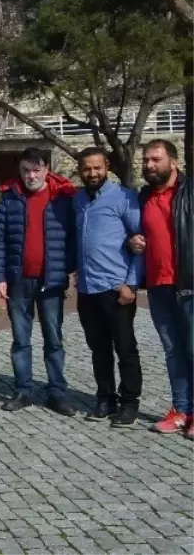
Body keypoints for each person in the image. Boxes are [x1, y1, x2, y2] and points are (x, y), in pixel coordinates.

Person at [0, 147, 77, 415]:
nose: (31, 175)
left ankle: (56, 392)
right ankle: (23, 390)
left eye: (36, 169)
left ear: (46, 169)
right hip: (19, 280)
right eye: (26, 170)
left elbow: (72, 238)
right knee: (20, 339)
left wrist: (68, 268)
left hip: (51, 280)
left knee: (53, 338)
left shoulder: (62, 199)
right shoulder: (10, 199)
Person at [73, 146, 143, 427]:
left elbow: (141, 243)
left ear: (107, 167)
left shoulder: (124, 198)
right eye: (87, 168)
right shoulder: (78, 200)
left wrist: (132, 283)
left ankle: (129, 403)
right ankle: (105, 398)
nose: (92, 173)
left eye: (97, 167)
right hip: (88, 290)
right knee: (98, 348)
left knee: (125, 348)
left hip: (117, 289)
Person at [130, 139, 192, 434]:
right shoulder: (141, 198)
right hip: (157, 286)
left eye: (156, 159)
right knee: (172, 350)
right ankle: (181, 409)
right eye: (145, 160)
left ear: (173, 162)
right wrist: (133, 240)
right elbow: (136, 234)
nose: (149, 165)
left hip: (189, 284)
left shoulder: (190, 193)